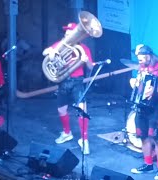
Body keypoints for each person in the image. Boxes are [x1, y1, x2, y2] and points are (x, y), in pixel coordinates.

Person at [42, 22, 94, 155]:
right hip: (63, 81)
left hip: (77, 82)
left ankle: (84, 140)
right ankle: (67, 133)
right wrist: (51, 52)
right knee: (61, 110)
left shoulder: (84, 48)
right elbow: (45, 52)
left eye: (70, 33)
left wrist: (85, 59)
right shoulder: (60, 45)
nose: (67, 35)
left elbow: (90, 67)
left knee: (82, 110)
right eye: (66, 33)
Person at [130, 44, 158, 179]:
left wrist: (155, 90)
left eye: (141, 59)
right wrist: (134, 83)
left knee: (157, 138)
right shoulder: (142, 68)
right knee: (143, 136)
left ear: (148, 56)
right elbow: (140, 84)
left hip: (155, 107)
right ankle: (148, 164)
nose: (139, 61)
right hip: (141, 107)